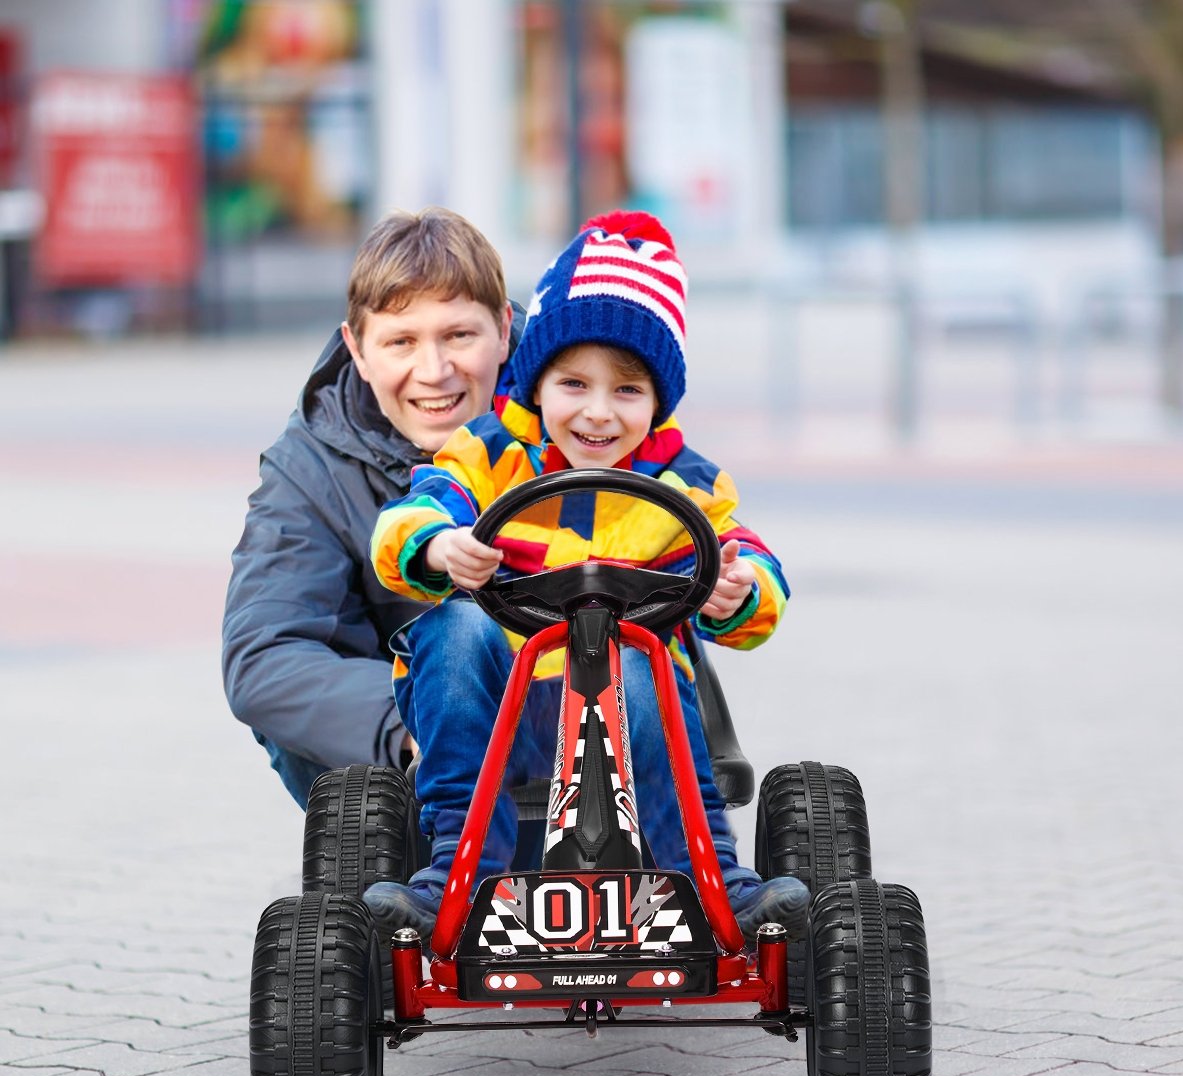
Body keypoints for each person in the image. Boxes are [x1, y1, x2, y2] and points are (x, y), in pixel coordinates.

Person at [364, 210, 809, 943]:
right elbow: (407, 518)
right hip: (505, 712)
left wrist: (740, 591)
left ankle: (712, 879)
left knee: (639, 659)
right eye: (574, 383)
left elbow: (752, 563)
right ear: (536, 383)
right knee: (453, 625)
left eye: (627, 392)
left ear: (658, 402)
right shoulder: (488, 455)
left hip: (634, 712)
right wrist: (441, 546)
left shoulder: (686, 484)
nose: (598, 414)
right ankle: (458, 872)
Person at [222, 208, 522, 807]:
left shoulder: (579, 414)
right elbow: (264, 656)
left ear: (504, 328)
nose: (434, 372)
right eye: (401, 342)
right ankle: (390, 864)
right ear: (358, 351)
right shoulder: (311, 466)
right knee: (295, 710)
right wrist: (420, 722)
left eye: (458, 335)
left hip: (581, 720)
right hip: (414, 760)